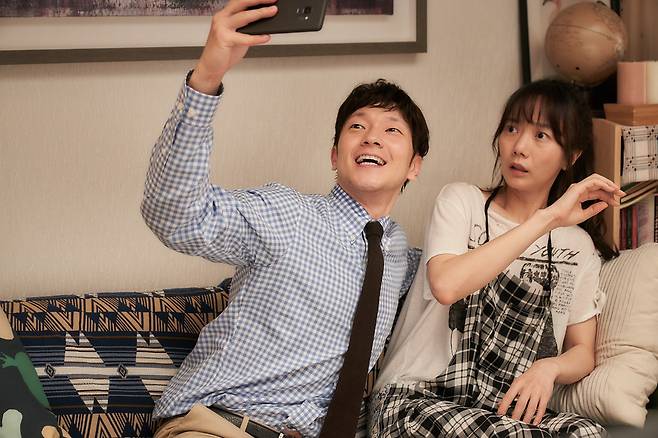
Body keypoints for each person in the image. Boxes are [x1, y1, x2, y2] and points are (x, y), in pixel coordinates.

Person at [140, 1, 430, 437]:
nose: (372, 137)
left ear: (414, 166)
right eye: (357, 126)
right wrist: (207, 78)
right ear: (334, 155)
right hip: (222, 425)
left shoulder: (403, 261)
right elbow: (176, 216)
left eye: (392, 129)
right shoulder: (287, 215)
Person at [367, 79, 623, 437]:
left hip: (500, 410)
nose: (519, 147)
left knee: (587, 433)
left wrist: (548, 368)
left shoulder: (577, 247)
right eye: (511, 129)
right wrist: (547, 219)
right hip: (414, 400)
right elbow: (446, 285)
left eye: (541, 135)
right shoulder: (461, 201)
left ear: (572, 156)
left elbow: (582, 351)